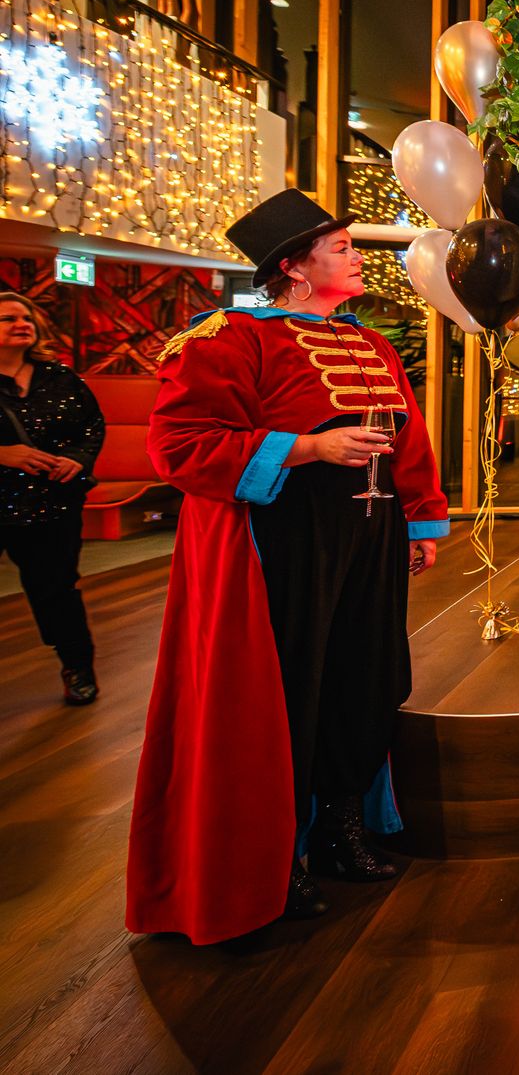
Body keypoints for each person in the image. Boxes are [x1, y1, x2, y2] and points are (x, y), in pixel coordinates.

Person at [127, 191, 449, 944]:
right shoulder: (228, 338)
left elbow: (408, 437)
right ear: (295, 268)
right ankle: (281, 854)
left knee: (363, 680)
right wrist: (307, 447)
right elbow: (178, 446)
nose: (359, 256)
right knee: (286, 693)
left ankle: (341, 827)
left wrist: (422, 518)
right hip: (280, 542)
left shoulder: (373, 346)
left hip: (369, 536)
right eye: (343, 248)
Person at [0, 291, 105, 705]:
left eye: (26, 318)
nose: (21, 324)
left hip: (52, 503)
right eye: (8, 319)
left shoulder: (60, 378)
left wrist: (78, 459)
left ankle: (77, 668)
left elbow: (91, 427)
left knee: (57, 590)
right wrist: (3, 454)